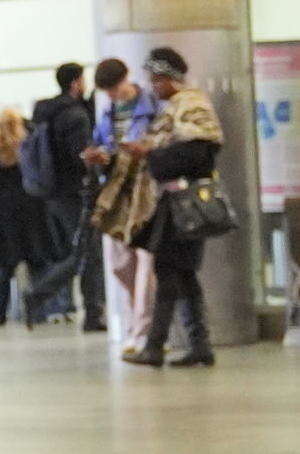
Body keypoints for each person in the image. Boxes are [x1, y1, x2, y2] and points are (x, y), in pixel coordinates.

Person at [117, 48, 224, 367]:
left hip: (184, 202)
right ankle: (199, 344)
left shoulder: (191, 107)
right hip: (177, 202)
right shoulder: (177, 108)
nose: (154, 87)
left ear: (171, 79)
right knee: (184, 274)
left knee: (168, 271)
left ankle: (155, 344)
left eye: (157, 80)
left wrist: (150, 157)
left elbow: (197, 155)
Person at [18, 64, 105, 329]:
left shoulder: (47, 112)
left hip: (53, 193)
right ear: (76, 83)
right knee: (87, 251)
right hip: (75, 192)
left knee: (84, 250)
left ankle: (91, 312)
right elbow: (80, 157)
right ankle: (42, 296)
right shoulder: (74, 116)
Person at [88, 57, 157, 337]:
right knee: (120, 264)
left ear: (126, 79)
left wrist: (142, 149)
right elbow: (101, 142)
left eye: (115, 89)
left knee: (145, 264)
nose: (113, 96)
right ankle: (135, 324)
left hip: (145, 189)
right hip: (115, 191)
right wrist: (97, 156)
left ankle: (141, 330)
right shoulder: (108, 112)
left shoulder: (151, 107)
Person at [0, 107, 48, 326]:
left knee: (4, 267)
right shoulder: (27, 148)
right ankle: (38, 312)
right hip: (30, 208)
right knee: (36, 263)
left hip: (4, 211)